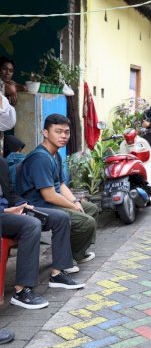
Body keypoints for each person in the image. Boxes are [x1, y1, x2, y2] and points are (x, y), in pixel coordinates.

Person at [0, 156, 85, 310]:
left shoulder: (2, 163)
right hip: (3, 213)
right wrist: (6, 210)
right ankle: (21, 291)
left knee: (60, 217)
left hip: (10, 211)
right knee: (32, 224)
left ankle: (57, 273)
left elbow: (11, 193)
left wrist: (22, 205)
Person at [18, 114, 97, 272]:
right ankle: (64, 260)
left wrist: (75, 201)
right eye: (58, 131)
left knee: (90, 209)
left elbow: (60, 184)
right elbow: (50, 195)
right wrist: (73, 206)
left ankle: (75, 253)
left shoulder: (55, 154)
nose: (63, 136)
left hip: (48, 203)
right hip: (36, 207)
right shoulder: (40, 158)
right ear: (46, 133)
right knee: (85, 222)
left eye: (66, 132)